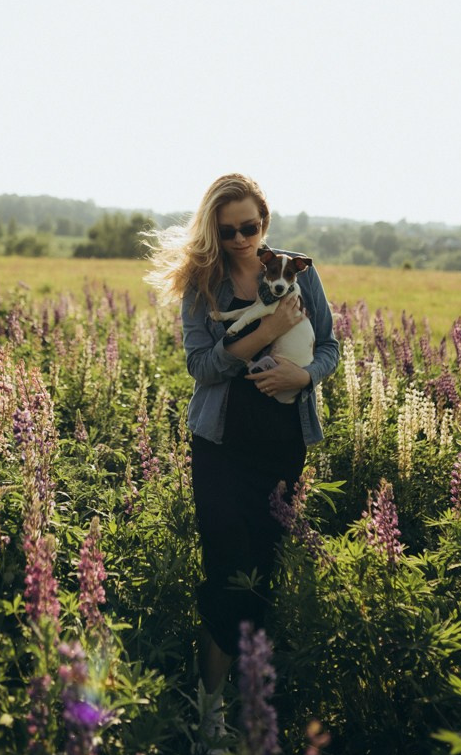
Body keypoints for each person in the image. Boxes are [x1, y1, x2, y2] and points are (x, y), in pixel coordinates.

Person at [145, 173, 339, 701]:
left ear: (264, 223)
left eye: (248, 228)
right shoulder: (203, 286)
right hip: (221, 449)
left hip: (282, 446)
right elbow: (200, 366)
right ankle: (210, 714)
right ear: (214, 232)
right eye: (227, 231)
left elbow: (330, 348)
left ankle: (248, 702)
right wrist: (265, 333)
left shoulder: (299, 270)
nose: (239, 240)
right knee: (226, 570)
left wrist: (304, 376)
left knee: (262, 575)